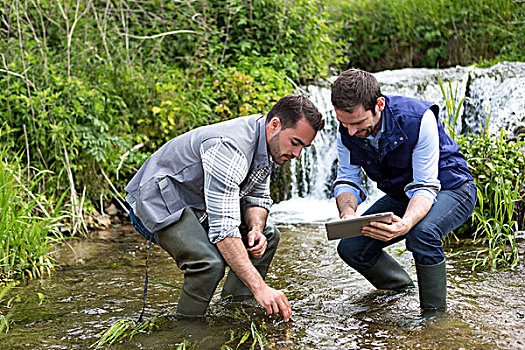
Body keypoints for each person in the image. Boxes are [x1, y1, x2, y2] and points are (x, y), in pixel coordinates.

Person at [125, 95, 324, 320]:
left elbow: (257, 197)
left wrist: (256, 229)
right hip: (157, 202)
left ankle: (235, 310)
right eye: (295, 143)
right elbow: (224, 232)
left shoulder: (270, 142)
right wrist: (261, 287)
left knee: (269, 234)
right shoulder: (230, 148)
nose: (297, 155)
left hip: (198, 203)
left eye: (303, 147)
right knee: (208, 264)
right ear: (275, 125)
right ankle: (187, 331)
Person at [330, 68, 477, 311]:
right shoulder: (347, 130)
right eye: (344, 123)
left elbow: (425, 185)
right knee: (351, 248)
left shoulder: (418, 118)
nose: (351, 132)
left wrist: (406, 223)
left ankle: (434, 316)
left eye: (357, 123)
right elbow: (347, 180)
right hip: (406, 192)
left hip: (453, 186)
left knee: (422, 234)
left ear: (379, 104)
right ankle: (402, 290)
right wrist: (348, 213)